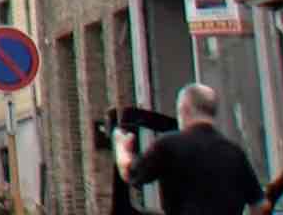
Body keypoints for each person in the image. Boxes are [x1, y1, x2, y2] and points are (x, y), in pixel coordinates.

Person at [114, 83, 268, 215]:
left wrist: (122, 147)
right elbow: (260, 206)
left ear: (184, 109)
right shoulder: (234, 152)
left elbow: (131, 174)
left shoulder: (168, 144)